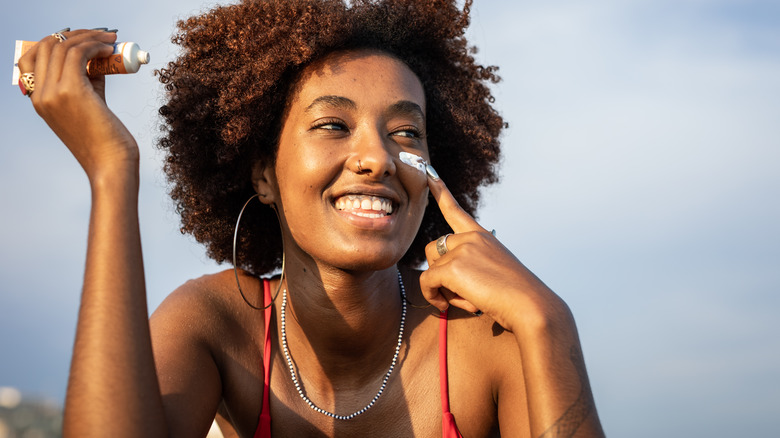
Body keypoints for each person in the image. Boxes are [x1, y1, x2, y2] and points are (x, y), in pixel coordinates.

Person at [17, 0, 605, 436]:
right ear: (263, 176)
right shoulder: (217, 325)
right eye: (332, 125)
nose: (377, 158)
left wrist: (549, 319)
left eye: (406, 132)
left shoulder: (490, 335)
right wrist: (112, 173)